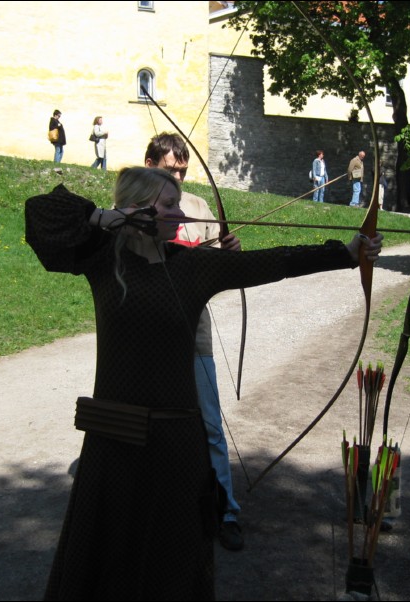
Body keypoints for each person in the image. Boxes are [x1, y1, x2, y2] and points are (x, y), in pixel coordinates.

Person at [25, 167, 383, 600]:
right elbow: (42, 214)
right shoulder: (103, 257)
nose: (181, 214)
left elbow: (276, 262)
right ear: (137, 206)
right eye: (168, 204)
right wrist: (108, 218)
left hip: (176, 443)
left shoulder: (192, 265)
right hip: (114, 442)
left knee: (172, 564)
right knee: (109, 557)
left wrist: (346, 253)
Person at [144, 132, 244, 551]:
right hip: (146, 336)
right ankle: (150, 511)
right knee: (146, 423)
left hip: (195, 333)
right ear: (150, 164)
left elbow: (220, 265)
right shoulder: (132, 207)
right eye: (170, 170)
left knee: (209, 426)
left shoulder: (200, 207)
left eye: (183, 171)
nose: (179, 178)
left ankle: (226, 511)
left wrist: (230, 252)